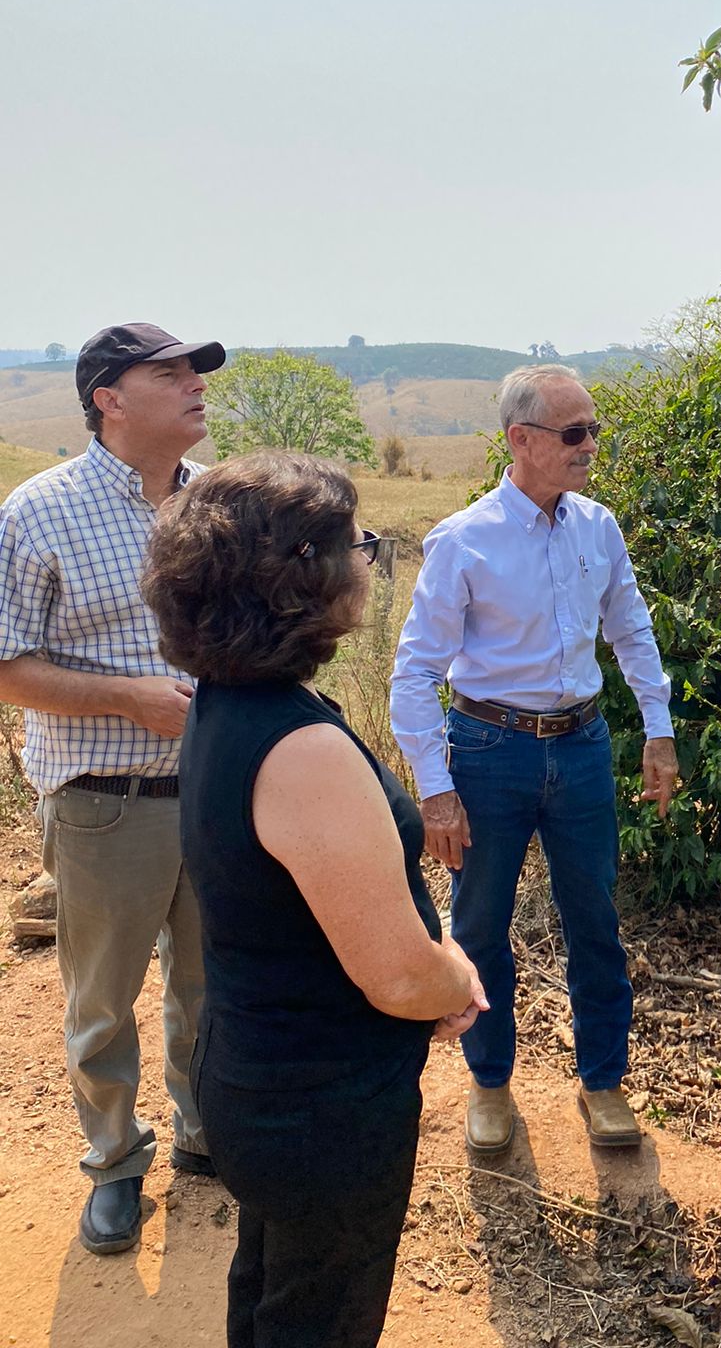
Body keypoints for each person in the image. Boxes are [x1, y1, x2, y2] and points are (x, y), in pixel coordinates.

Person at [142, 450, 484, 1348]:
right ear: (305, 576)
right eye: (356, 544)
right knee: (321, 1318)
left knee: (271, 1295)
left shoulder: (228, 702)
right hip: (322, 1106)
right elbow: (400, 979)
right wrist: (455, 981)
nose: (368, 561)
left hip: (259, 1074)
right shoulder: (303, 749)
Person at [390, 363, 678, 1153]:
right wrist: (437, 792)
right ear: (519, 440)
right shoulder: (464, 540)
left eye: (593, 430)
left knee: (596, 920)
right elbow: (415, 674)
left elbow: (631, 629)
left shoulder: (598, 527)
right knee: (480, 924)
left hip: (581, 746)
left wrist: (658, 730)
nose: (590, 446)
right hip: (486, 752)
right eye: (574, 432)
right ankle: (490, 1085)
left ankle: (603, 1083)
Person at [0, 322, 226, 1255]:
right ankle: (115, 1164)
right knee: (103, 1001)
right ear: (109, 399)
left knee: (213, 986)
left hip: (219, 793)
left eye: (197, 371)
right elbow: (6, 665)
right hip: (102, 802)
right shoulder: (38, 512)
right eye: (169, 372)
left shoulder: (222, 502)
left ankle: (206, 1136)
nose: (195, 386)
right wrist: (130, 700)